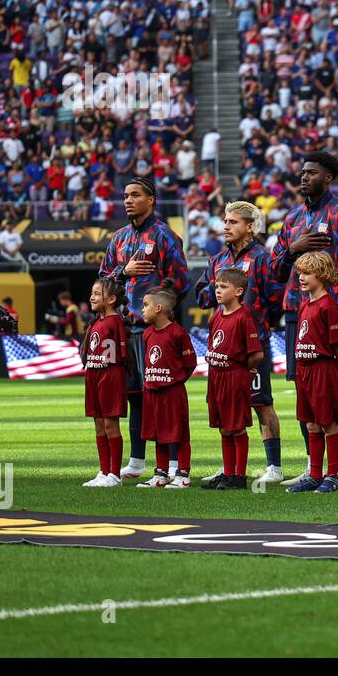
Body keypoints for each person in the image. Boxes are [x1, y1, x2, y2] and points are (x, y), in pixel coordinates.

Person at [272, 152, 338, 488]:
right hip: (296, 310)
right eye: (303, 172)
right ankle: (314, 467)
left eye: (312, 172)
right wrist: (293, 247)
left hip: (328, 312)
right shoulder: (293, 218)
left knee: (337, 383)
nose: (304, 177)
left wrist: (336, 300)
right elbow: (276, 269)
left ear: (329, 177)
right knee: (305, 387)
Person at [98, 176, 190, 480]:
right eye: (125, 195)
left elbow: (179, 282)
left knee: (162, 393)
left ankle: (174, 464)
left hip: (155, 332)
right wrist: (123, 272)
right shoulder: (119, 238)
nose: (128, 200)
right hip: (124, 328)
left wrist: (159, 315)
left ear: (151, 200)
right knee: (134, 395)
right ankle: (137, 461)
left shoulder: (165, 236)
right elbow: (103, 281)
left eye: (135, 195)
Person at [194, 201, 285, 483]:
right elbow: (201, 296)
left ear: (250, 226)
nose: (225, 226)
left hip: (252, 343)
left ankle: (274, 466)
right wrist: (216, 286)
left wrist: (258, 325)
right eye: (225, 221)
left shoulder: (262, 258)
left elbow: (275, 298)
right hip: (223, 347)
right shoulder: (217, 261)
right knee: (225, 407)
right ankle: (230, 468)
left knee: (260, 402)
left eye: (232, 222)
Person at [286, 251, 338, 493]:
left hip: (322, 368)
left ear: (322, 275)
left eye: (307, 273)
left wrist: (331, 369)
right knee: (311, 424)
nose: (301, 278)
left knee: (328, 423)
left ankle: (333, 476)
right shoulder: (305, 304)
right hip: (304, 370)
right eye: (300, 273)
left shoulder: (329, 306)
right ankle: (315, 474)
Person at [201, 269, 264, 491]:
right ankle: (227, 473)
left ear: (238, 291)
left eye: (224, 287)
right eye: (217, 286)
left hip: (233, 376)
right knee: (223, 427)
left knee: (236, 427)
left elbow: (256, 354)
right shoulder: (217, 315)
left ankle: (239, 476)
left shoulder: (244, 317)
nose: (218, 291)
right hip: (216, 376)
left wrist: (243, 371)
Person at [136, 287, 197, 489]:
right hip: (152, 392)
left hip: (172, 392)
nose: (142, 310)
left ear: (159, 308)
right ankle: (160, 473)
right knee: (157, 434)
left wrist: (174, 380)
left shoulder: (178, 333)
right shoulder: (146, 334)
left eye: (146, 305)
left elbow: (190, 363)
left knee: (179, 433)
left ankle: (183, 473)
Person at [80, 279, 129, 488]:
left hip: (110, 375)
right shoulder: (96, 322)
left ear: (111, 299)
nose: (92, 297)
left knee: (110, 424)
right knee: (98, 424)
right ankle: (104, 470)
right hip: (93, 374)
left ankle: (115, 474)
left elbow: (122, 353)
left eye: (98, 293)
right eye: (92, 293)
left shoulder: (115, 321)